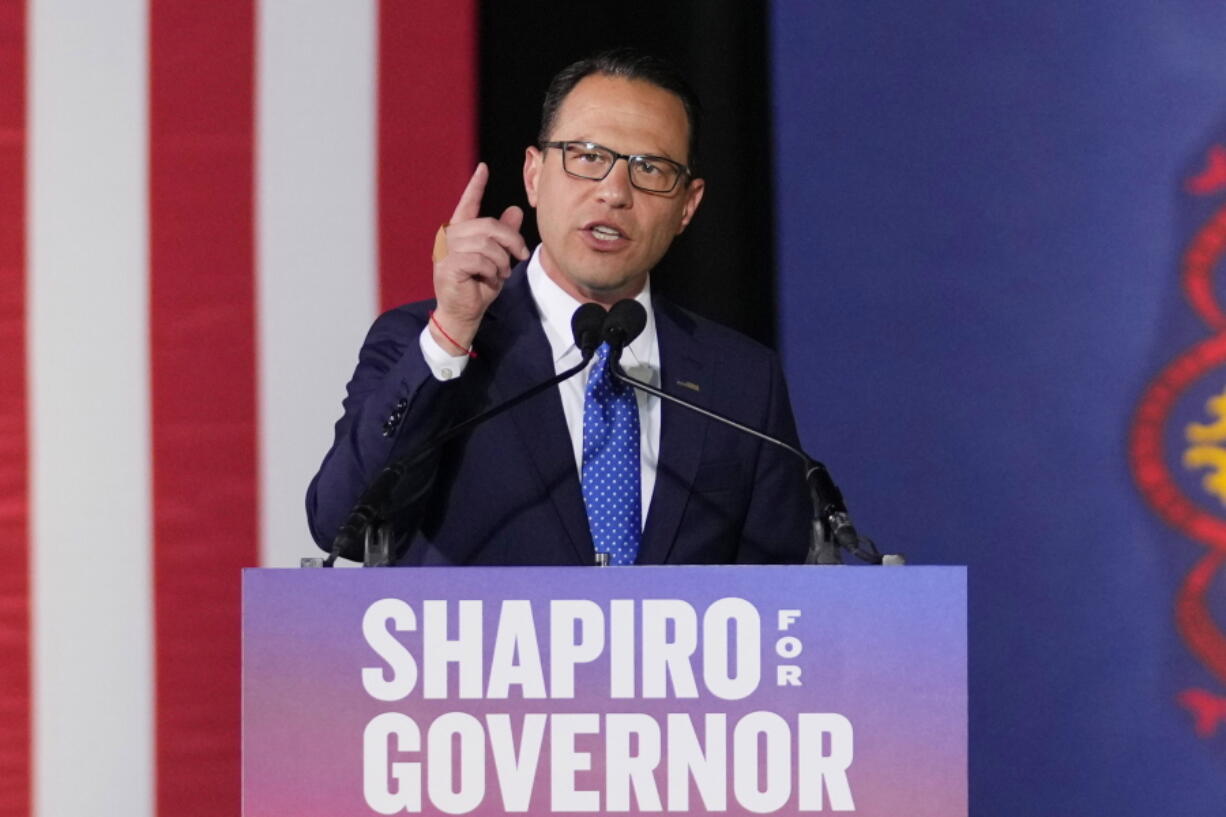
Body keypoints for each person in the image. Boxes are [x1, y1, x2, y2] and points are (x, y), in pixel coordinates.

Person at [307, 49, 809, 565]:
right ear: (533, 174)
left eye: (650, 168)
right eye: (588, 156)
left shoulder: (743, 380)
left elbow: (781, 600)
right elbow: (341, 526)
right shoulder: (427, 341)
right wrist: (453, 331)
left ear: (688, 205)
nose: (614, 192)